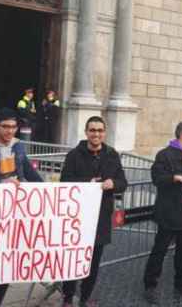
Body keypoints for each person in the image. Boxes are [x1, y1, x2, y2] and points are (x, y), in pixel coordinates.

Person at [60, 116, 127, 307]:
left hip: (101, 217)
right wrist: (86, 184)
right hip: (77, 216)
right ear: (86, 132)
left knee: (93, 261)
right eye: (92, 130)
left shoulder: (112, 154)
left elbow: (123, 182)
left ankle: (85, 297)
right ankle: (67, 297)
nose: (96, 134)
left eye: (99, 130)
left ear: (104, 133)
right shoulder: (74, 155)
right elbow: (65, 182)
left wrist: (113, 183)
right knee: (73, 258)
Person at [0, 108, 44, 305]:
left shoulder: (18, 146)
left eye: (13, 127)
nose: (10, 131)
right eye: (5, 127)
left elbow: (27, 170)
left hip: (14, 213)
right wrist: (0, 184)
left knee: (8, 262)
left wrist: (49, 191)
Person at [143, 121, 182, 305]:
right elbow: (157, 179)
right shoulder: (165, 155)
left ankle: (181, 283)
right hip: (169, 212)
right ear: (181, 135)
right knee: (159, 251)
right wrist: (176, 177)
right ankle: (150, 285)